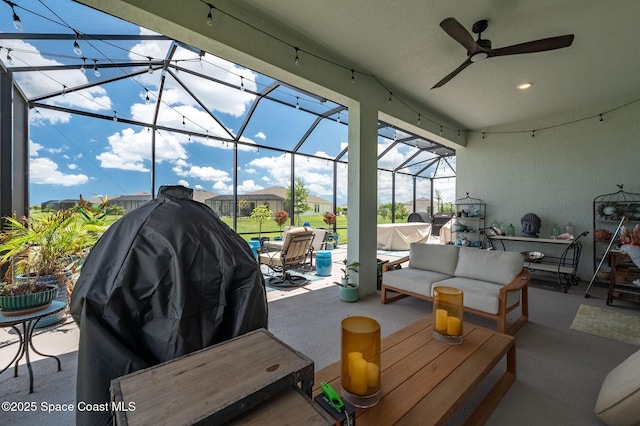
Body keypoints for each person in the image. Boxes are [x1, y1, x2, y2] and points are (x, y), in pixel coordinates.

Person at [70, 185, 268, 426]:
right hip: (221, 377)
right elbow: (250, 294)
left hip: (142, 391)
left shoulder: (132, 226)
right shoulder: (219, 230)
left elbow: (89, 299)